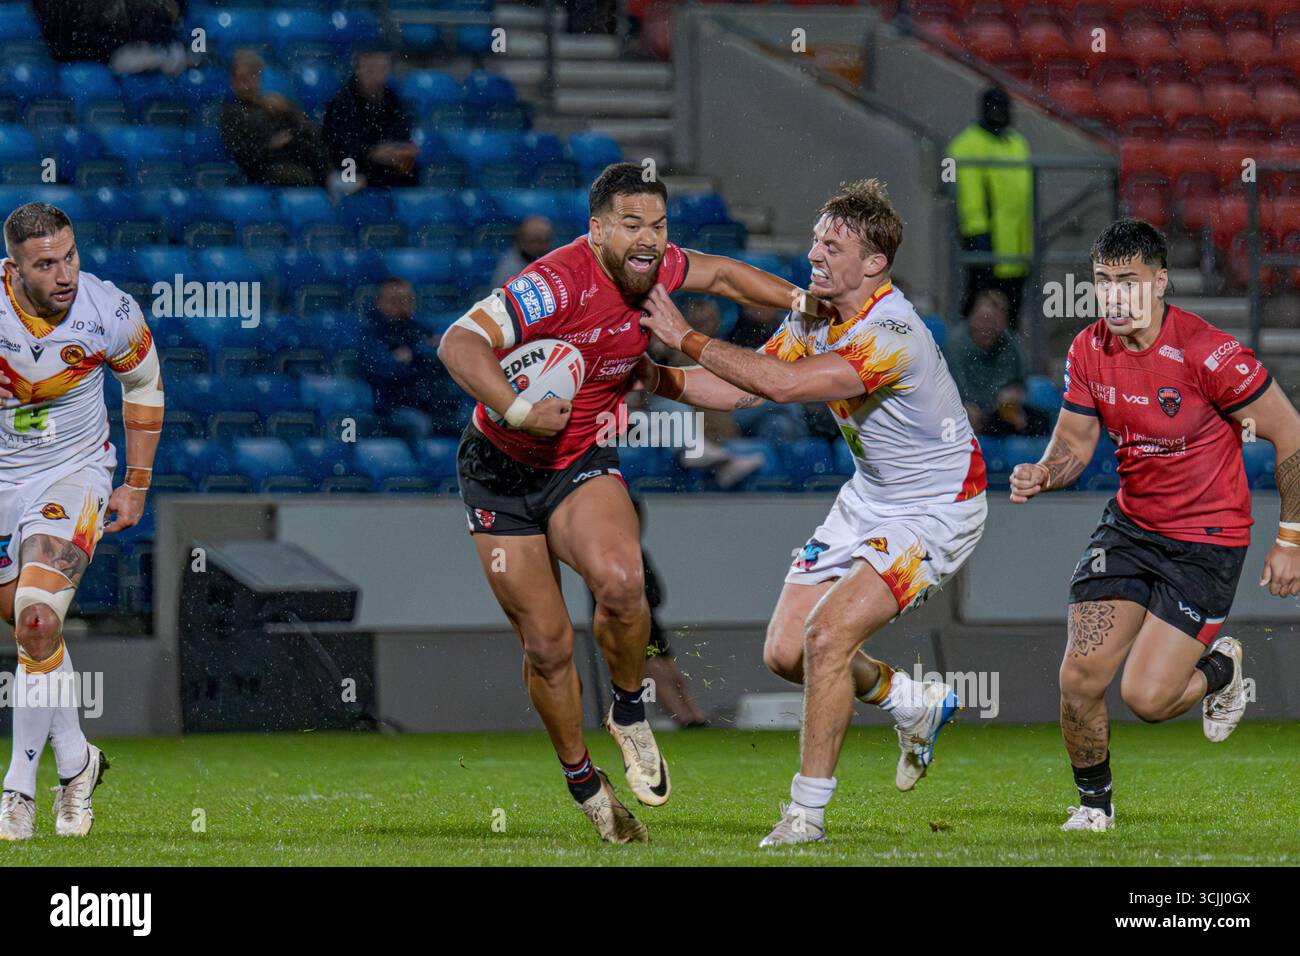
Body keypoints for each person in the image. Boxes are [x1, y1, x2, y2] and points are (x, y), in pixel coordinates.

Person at [437, 162, 831, 843]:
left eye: (657, 225)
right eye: (631, 225)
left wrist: (804, 301)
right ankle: (585, 783)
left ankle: (628, 711)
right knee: (549, 646)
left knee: (623, 585)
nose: (648, 239)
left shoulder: (660, 269)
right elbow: (458, 342)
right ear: (597, 231)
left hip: (579, 464)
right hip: (498, 473)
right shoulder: (552, 283)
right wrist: (519, 407)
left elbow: (728, 275)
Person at [636, 179, 988, 847]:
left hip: (936, 508)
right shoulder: (815, 313)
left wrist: (682, 336)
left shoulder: (891, 332)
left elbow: (788, 386)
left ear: (874, 263)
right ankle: (911, 700)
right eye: (817, 239)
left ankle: (806, 816)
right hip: (871, 496)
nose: (816, 253)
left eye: (835, 244)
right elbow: (743, 391)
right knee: (785, 651)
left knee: (826, 639)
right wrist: (657, 379)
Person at [1009, 218, 1300, 832]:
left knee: (1148, 700)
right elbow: (1075, 443)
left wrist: (1291, 539)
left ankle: (1221, 668)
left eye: (1128, 282)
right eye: (1102, 282)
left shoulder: (1207, 353)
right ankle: (1094, 808)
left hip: (1207, 542)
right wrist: (1043, 472)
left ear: (1161, 282)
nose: (1113, 296)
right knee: (1079, 674)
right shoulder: (1089, 349)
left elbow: (1291, 432)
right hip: (1131, 530)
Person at [0, 202, 163, 840]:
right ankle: (77, 761)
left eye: (70, 256)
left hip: (72, 473)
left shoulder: (108, 311)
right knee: (26, 625)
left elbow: (145, 383)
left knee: (38, 615)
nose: (65, 273)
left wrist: (137, 484)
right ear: (14, 268)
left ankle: (18, 790)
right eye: (46, 264)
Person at [586, 497, 708, 729]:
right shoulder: (608, 555)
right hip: (627, 622)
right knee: (655, 672)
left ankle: (695, 715)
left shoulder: (637, 552)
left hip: (649, 621)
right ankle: (683, 718)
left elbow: (655, 593)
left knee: (671, 672)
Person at [949, 87, 1032, 324]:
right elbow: (970, 197)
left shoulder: (1016, 143)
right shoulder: (966, 145)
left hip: (1017, 246)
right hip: (985, 242)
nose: (1001, 113)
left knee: (1011, 316)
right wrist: (978, 237)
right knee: (980, 310)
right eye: (996, 107)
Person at [218, 50, 330, 187]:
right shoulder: (230, 113)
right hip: (262, 167)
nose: (248, 84)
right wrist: (271, 145)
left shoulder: (273, 104)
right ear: (233, 81)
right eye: (242, 78)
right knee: (299, 176)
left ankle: (332, 178)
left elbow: (307, 128)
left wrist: (288, 109)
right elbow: (241, 155)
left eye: (253, 76)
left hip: (293, 157)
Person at [948, 288, 1048, 437]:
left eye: (993, 322)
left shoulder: (1009, 342)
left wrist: (1014, 395)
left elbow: (1021, 378)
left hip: (1000, 410)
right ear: (972, 320)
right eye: (983, 320)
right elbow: (956, 389)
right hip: (966, 410)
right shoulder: (956, 344)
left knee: (1040, 420)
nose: (986, 328)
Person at [358, 278, 458, 423]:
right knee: (417, 423)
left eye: (407, 300)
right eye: (395, 301)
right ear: (379, 302)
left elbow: (443, 362)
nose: (402, 306)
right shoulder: (372, 333)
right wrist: (421, 355)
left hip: (431, 402)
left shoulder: (419, 328)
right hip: (392, 407)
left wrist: (413, 355)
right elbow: (386, 370)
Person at [322, 47, 419, 190]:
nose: (376, 75)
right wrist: (371, 153)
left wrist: (400, 150)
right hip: (350, 165)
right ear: (359, 70)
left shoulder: (392, 100)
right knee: (351, 172)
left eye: (382, 69)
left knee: (410, 170)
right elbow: (341, 148)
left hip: (384, 165)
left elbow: (401, 132)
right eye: (370, 69)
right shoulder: (343, 103)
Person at [490, 216, 555, 290]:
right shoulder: (509, 270)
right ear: (521, 240)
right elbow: (500, 298)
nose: (541, 245)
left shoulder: (554, 264)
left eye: (546, 240)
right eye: (535, 240)